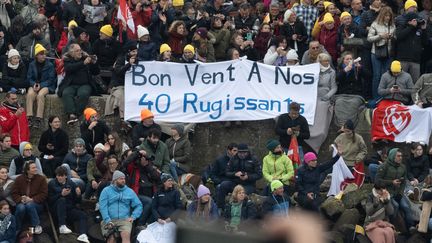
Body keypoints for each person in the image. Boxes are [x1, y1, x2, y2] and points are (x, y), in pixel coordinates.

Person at [58, 43, 100, 125]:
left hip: (85, 84)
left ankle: (76, 114)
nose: (80, 52)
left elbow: (96, 72)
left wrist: (93, 63)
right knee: (66, 93)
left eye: (80, 50)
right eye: (77, 51)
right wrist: (83, 63)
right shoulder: (68, 59)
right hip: (71, 84)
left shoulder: (85, 58)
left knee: (83, 94)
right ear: (72, 53)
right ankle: (71, 114)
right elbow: (69, 68)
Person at [48, 166, 89, 242]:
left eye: (61, 176)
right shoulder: (52, 184)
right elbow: (49, 201)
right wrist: (61, 194)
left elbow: (77, 201)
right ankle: (62, 226)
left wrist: (78, 195)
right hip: (56, 210)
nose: (59, 178)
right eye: (58, 176)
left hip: (69, 209)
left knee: (82, 215)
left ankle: (83, 234)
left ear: (66, 176)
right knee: (62, 200)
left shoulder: (71, 183)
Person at [99, 170, 143, 243]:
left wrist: (133, 217)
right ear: (115, 180)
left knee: (126, 236)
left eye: (124, 179)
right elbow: (103, 207)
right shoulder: (106, 191)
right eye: (121, 179)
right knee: (111, 239)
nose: (123, 180)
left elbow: (139, 205)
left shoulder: (129, 191)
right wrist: (107, 220)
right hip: (109, 219)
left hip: (124, 220)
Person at [376, 148, 414, 229]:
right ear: (393, 156)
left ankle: (411, 227)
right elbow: (377, 181)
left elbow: (404, 182)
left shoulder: (403, 167)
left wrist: (400, 193)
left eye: (401, 156)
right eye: (398, 156)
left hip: (398, 192)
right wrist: (391, 182)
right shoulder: (384, 166)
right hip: (387, 192)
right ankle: (392, 226)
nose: (400, 158)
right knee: (395, 206)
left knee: (406, 207)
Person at [105, 41, 138, 131]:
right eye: (133, 51)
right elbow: (118, 71)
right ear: (128, 52)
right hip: (118, 86)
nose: (135, 53)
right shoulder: (121, 59)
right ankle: (123, 119)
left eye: (136, 51)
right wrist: (128, 65)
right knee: (121, 96)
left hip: (132, 87)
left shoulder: (138, 60)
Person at [217, 144, 261, 208]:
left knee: (241, 192)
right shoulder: (233, 158)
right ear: (238, 152)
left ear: (247, 152)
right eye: (240, 152)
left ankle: (241, 211)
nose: (242, 154)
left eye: (244, 152)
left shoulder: (254, 159)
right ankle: (221, 208)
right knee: (223, 185)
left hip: (248, 184)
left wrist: (248, 177)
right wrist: (235, 174)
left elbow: (259, 174)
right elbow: (227, 172)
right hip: (235, 182)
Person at [122, 149, 160, 225]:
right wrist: (137, 153)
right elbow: (125, 163)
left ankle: (146, 223)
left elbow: (156, 176)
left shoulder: (149, 167)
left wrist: (147, 165)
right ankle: (140, 224)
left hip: (150, 193)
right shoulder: (133, 167)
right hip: (136, 194)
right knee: (150, 202)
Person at [11, 160, 47, 234]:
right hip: (22, 202)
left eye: (36, 167)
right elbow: (14, 193)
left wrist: (32, 199)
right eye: (33, 168)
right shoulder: (19, 179)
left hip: (36, 204)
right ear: (27, 170)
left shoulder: (42, 179)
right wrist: (20, 199)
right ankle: (17, 228)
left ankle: (36, 225)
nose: (36, 169)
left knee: (29, 205)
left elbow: (44, 194)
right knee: (20, 208)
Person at [25, 44, 56, 129]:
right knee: (30, 94)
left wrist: (41, 85)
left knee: (40, 95)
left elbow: (51, 79)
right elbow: (29, 77)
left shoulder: (49, 65)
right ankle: (29, 117)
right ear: (37, 55)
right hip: (34, 85)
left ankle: (38, 119)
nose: (44, 55)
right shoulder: (32, 64)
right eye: (41, 54)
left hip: (46, 85)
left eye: (44, 54)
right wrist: (33, 84)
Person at [395, 11, 428, 83]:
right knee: (401, 82)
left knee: (415, 83)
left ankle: (414, 95)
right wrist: (411, 27)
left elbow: (425, 43)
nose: (417, 22)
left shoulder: (419, 30)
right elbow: (399, 37)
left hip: (415, 61)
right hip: (403, 60)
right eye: (415, 20)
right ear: (409, 21)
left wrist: (424, 30)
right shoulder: (402, 27)